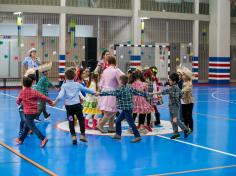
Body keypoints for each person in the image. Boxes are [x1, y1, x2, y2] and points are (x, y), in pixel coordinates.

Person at [99, 75, 150, 143]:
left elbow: (111, 93)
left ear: (120, 81)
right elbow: (138, 92)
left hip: (126, 109)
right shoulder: (129, 88)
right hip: (128, 108)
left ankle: (137, 136)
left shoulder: (120, 89)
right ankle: (118, 134)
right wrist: (147, 94)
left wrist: (100, 93)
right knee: (118, 120)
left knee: (131, 123)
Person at [53, 68, 96, 145]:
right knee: (81, 119)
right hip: (77, 106)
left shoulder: (64, 86)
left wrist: (55, 102)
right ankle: (82, 135)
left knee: (71, 121)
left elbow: (60, 96)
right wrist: (95, 92)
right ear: (74, 77)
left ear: (65, 77)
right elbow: (86, 90)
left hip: (69, 107)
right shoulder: (77, 84)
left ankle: (73, 137)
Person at [16, 76, 53, 148]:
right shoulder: (34, 92)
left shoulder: (22, 92)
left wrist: (19, 102)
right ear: (31, 84)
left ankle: (43, 138)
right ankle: (21, 139)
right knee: (27, 127)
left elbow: (18, 101)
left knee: (32, 127)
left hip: (28, 113)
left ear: (23, 84)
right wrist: (50, 101)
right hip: (34, 113)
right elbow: (43, 96)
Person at [156, 73, 189, 139]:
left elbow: (167, 92)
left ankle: (186, 129)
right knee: (172, 120)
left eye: (170, 80)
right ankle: (176, 133)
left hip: (175, 106)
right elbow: (181, 94)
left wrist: (157, 93)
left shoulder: (175, 88)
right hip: (171, 105)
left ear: (174, 81)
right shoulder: (173, 87)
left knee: (176, 120)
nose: (169, 81)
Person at [96, 56, 124, 133]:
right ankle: (101, 124)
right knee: (112, 110)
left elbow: (101, 82)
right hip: (112, 91)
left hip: (104, 91)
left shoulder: (105, 71)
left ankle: (111, 127)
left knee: (110, 109)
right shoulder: (116, 71)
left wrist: (100, 90)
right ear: (115, 62)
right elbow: (122, 80)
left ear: (108, 62)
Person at [130, 70, 154, 134]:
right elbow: (146, 93)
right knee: (142, 113)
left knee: (134, 113)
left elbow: (131, 92)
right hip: (142, 99)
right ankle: (141, 127)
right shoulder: (144, 84)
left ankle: (132, 128)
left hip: (134, 99)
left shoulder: (132, 84)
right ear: (141, 75)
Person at [181, 67, 194, 133]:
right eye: (182, 75)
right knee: (184, 116)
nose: (182, 76)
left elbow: (185, 90)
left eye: (184, 75)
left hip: (189, 102)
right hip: (183, 102)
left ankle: (191, 129)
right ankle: (186, 128)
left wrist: (179, 91)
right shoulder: (182, 82)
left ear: (187, 76)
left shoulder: (189, 83)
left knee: (189, 115)